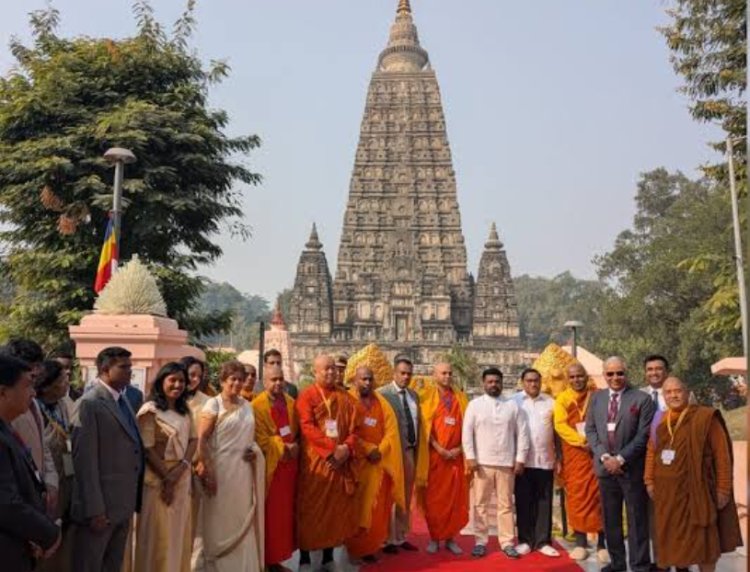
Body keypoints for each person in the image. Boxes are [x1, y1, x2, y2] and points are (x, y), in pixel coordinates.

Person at [645, 377, 742, 572]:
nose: (674, 395)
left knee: (704, 542)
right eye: (669, 392)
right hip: (669, 495)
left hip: (699, 492)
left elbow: (722, 455)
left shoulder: (705, 418)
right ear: (664, 396)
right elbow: (651, 451)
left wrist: (723, 488)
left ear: (687, 392)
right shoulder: (661, 420)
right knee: (676, 541)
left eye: (678, 390)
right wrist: (649, 480)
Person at [71, 346, 145, 572]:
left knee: (112, 566)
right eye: (123, 367)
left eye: (130, 367)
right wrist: (95, 510)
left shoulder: (124, 401)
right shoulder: (89, 404)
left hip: (122, 505)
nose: (129, 372)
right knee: (90, 565)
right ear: (104, 368)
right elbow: (85, 462)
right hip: (100, 509)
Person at [584, 356, 655, 572]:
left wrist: (621, 459)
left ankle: (640, 565)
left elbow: (643, 435)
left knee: (636, 520)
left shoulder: (642, 399)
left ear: (627, 373)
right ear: (604, 375)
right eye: (610, 374)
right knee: (611, 519)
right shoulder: (596, 398)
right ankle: (617, 563)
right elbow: (591, 430)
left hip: (631, 468)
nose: (615, 378)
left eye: (620, 373)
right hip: (605, 469)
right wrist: (606, 457)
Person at [195, 360, 264, 572]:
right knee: (217, 520)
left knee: (241, 518)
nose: (236, 383)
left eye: (240, 379)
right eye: (232, 379)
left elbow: (250, 439)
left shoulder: (247, 405)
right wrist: (208, 473)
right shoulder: (213, 405)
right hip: (220, 471)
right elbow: (202, 440)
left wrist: (255, 453)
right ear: (223, 380)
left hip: (242, 473)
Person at [296, 354, 359, 571]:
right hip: (316, 463)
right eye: (326, 369)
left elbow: (354, 429)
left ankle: (328, 557)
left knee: (334, 511)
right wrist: (332, 450)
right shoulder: (307, 396)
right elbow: (307, 427)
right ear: (316, 372)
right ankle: (305, 558)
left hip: (339, 463)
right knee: (309, 510)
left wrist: (346, 449)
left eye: (333, 368)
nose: (331, 372)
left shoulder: (345, 398)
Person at [0, 354, 61, 572]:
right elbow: (6, 504)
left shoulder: (6, 428)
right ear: (3, 391)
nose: (34, 393)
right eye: (27, 386)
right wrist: (47, 534)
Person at [134, 362, 197, 572]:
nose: (178, 385)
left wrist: (181, 470)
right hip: (156, 480)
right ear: (161, 382)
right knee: (158, 537)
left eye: (181, 381)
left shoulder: (185, 410)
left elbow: (193, 440)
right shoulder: (149, 410)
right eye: (173, 380)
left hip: (181, 478)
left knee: (178, 536)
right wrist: (167, 478)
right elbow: (147, 448)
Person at [463, 367, 529, 559]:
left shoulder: (512, 405)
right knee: (480, 504)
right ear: (484, 383)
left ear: (502, 383)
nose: (494, 385)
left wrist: (520, 459)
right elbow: (467, 433)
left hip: (506, 463)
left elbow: (522, 434)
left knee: (506, 504)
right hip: (482, 463)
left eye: (497, 382)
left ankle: (507, 542)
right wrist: (470, 457)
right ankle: (480, 541)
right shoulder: (474, 405)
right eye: (490, 382)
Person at [345, 366, 405, 564]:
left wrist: (381, 448)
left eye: (370, 379)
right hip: (356, 464)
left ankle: (370, 547)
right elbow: (347, 430)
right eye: (363, 379)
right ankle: (354, 548)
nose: (367, 383)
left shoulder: (382, 403)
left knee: (377, 507)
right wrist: (367, 448)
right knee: (357, 507)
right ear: (355, 380)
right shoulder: (348, 401)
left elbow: (391, 430)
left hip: (379, 462)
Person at [553, 363, 608, 562]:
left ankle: (602, 543)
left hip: (598, 451)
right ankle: (581, 542)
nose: (577, 380)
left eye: (580, 376)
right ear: (568, 379)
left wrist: (594, 442)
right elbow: (559, 425)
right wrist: (581, 440)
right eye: (573, 377)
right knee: (577, 497)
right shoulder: (563, 399)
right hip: (576, 452)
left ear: (586, 376)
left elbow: (607, 419)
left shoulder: (598, 395)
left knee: (600, 495)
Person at [416, 362, 469, 555]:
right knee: (434, 500)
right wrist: (439, 448)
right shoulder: (426, 397)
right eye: (443, 373)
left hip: (455, 457)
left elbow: (469, 427)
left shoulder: (461, 397)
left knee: (454, 500)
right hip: (434, 457)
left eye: (450, 373)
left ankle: (450, 538)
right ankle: (434, 537)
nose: (447, 376)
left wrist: (459, 449)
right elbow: (424, 427)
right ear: (434, 375)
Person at [2, 339, 59, 518]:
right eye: (32, 367)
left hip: (36, 491)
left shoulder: (31, 400)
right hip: (18, 498)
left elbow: (43, 446)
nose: (37, 371)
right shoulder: (10, 405)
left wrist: (50, 481)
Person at [252, 365, 299, 572]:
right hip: (270, 470)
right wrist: (282, 446)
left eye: (281, 379)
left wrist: (295, 445)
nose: (278, 383)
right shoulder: (257, 406)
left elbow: (296, 432)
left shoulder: (290, 403)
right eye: (273, 380)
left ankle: (276, 560)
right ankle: (264, 561)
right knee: (268, 519)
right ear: (264, 381)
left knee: (283, 519)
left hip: (289, 469)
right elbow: (260, 439)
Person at [513, 368, 559, 557]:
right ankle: (525, 540)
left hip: (545, 460)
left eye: (536, 381)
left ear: (541, 382)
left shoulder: (551, 402)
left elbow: (558, 432)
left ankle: (542, 541)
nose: (533, 384)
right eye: (529, 381)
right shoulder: (513, 402)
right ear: (522, 382)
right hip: (522, 461)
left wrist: (559, 458)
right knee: (523, 501)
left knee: (544, 502)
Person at [378, 356, 421, 553]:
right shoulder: (383, 394)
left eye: (409, 374)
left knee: (406, 494)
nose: (406, 377)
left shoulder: (414, 395)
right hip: (392, 453)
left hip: (410, 450)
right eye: (402, 373)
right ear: (394, 373)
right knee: (391, 494)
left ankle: (401, 535)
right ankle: (387, 538)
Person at [35, 360, 75, 572]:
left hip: (66, 482)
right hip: (46, 488)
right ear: (47, 384)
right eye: (62, 379)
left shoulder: (63, 405)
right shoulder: (32, 410)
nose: (67, 382)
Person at [179, 355, 210, 567]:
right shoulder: (168, 400)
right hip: (169, 470)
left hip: (196, 469)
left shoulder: (207, 402)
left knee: (194, 523)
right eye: (191, 375)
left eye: (199, 376)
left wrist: (202, 463)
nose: (195, 380)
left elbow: (207, 439)